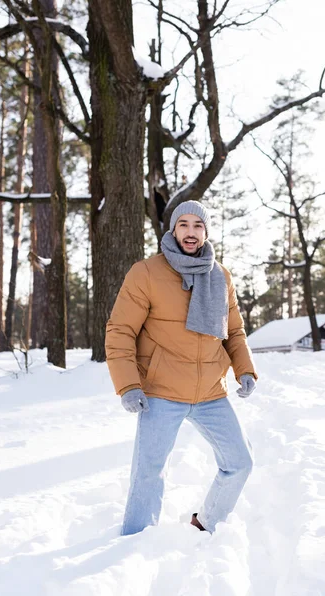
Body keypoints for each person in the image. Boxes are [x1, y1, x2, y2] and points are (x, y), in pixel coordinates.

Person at [105, 200, 258, 536]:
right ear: (173, 229)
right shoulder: (146, 272)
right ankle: (133, 544)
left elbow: (233, 330)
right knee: (149, 472)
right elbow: (120, 331)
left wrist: (244, 369)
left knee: (240, 462)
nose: (191, 232)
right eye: (184, 224)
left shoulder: (220, 275)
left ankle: (205, 523)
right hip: (161, 390)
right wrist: (128, 385)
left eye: (198, 225)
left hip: (210, 392)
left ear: (205, 231)